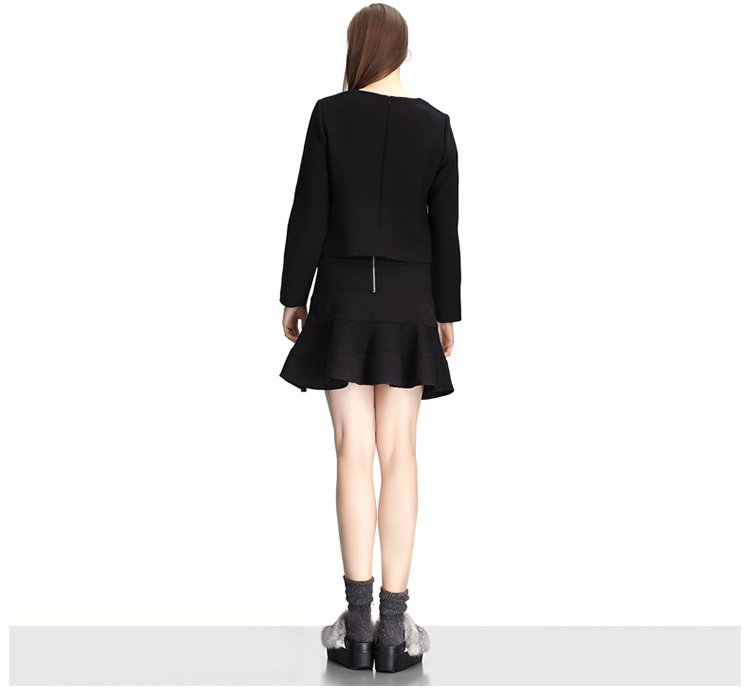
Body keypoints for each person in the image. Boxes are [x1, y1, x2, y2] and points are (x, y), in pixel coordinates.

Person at [278, 3, 461, 673]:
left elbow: (309, 209)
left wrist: (294, 295)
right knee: (400, 453)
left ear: (357, 48)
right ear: (403, 51)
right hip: (411, 301)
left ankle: (356, 627)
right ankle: (394, 630)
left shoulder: (330, 115)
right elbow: (445, 229)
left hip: (343, 298)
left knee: (353, 451)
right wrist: (447, 311)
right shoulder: (436, 126)